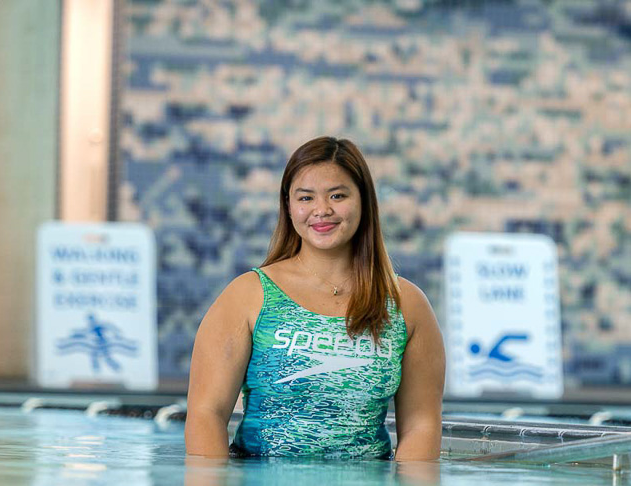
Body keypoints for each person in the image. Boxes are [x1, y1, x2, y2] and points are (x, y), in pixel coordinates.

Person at [185, 136, 445, 460]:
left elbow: (422, 425)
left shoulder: (407, 305)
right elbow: (206, 414)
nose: (322, 210)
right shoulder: (248, 296)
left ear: (364, 201)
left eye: (337, 195)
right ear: (288, 206)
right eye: (305, 197)